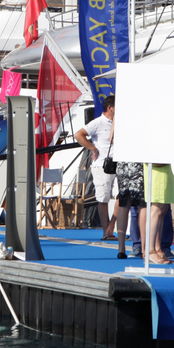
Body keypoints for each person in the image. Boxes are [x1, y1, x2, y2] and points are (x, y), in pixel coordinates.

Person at [75, 96, 116, 240]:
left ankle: (111, 227)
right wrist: (93, 148)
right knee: (103, 198)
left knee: (122, 197)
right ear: (110, 108)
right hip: (102, 165)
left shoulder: (119, 122)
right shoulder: (98, 122)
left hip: (119, 165)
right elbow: (78, 135)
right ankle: (106, 231)